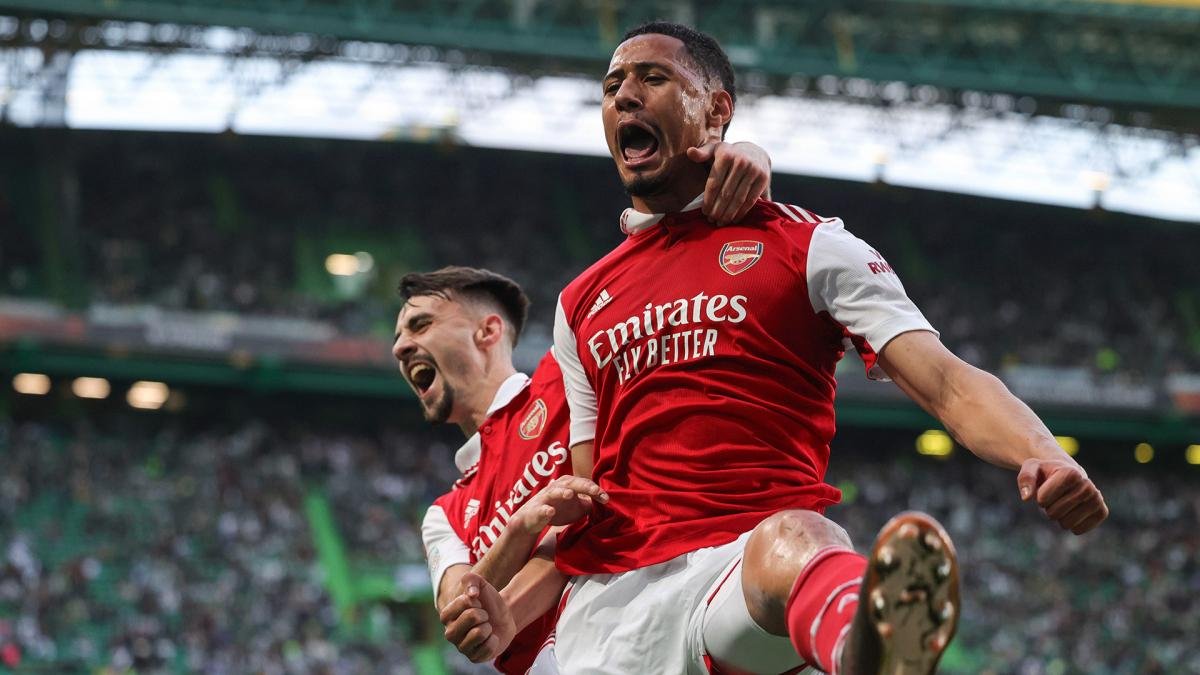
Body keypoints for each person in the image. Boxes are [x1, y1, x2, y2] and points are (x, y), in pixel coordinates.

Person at [439, 21, 1110, 675]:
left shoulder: (812, 247)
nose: (625, 96)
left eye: (653, 78)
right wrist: (511, 611)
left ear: (716, 110)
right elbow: (589, 498)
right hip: (609, 613)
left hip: (743, 576)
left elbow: (948, 383)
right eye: (612, 86)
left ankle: (865, 645)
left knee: (799, 536)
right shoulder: (580, 302)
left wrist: (1044, 453)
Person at [400, 142, 775, 673]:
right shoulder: (446, 513)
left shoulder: (566, 371)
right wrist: (522, 527)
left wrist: (748, 157)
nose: (401, 347)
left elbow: (664, 275)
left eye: (419, 325)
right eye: (399, 337)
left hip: (653, 608)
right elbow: (462, 613)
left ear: (488, 331)